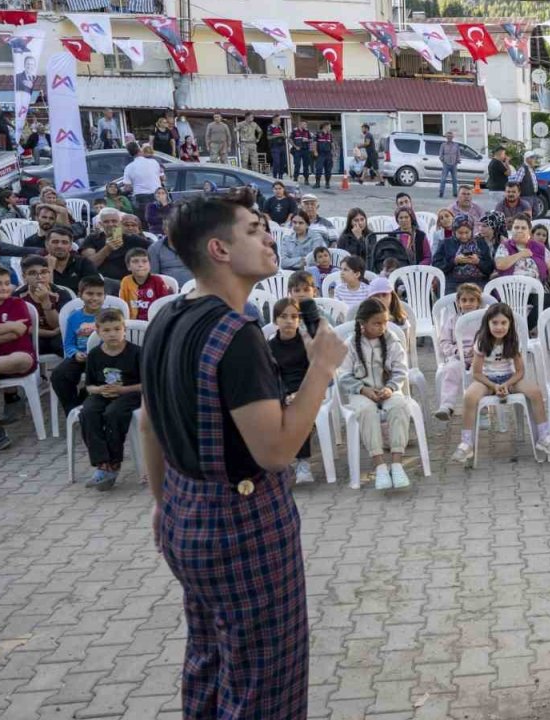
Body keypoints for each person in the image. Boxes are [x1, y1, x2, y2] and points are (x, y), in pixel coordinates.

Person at [141, 191, 348, 718]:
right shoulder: (236, 335)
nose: (268, 236)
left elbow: (149, 422)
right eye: (255, 229)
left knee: (209, 662)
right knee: (263, 684)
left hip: (187, 516)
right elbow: (276, 450)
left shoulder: (168, 316)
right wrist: (321, 368)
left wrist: (164, 504)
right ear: (219, 249)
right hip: (242, 527)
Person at [449, 303, 550, 463]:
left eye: (503, 323)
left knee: (535, 392)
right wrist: (494, 386)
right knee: (469, 397)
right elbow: (477, 373)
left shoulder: (512, 340)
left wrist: (507, 384)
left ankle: (543, 436)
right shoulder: (481, 341)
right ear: (487, 323)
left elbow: (520, 371)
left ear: (510, 324)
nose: (499, 327)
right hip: (486, 380)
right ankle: (466, 443)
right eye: (495, 323)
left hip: (509, 377)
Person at [338, 297, 413, 490]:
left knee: (399, 407)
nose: (382, 327)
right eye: (377, 323)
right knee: (366, 411)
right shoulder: (350, 344)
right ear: (363, 323)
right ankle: (379, 465)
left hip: (388, 390)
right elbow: (343, 375)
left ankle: (397, 463)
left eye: (385, 322)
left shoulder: (392, 340)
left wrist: (390, 388)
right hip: (361, 392)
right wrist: (363, 389)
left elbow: (401, 370)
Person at [78, 308, 142, 491]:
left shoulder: (137, 353)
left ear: (124, 330)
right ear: (98, 332)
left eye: (116, 329)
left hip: (130, 393)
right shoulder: (95, 355)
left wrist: (122, 389)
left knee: (113, 414)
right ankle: (102, 464)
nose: (112, 334)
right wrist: (100, 389)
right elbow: (89, 385)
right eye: (106, 330)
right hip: (103, 393)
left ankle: (114, 463)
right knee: (88, 412)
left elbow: (147, 384)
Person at [0, 265, 37, 450]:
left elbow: (18, 333)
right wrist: (9, 326)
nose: (4, 287)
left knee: (22, 360)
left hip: (14, 357)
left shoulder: (17, 304)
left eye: (7, 283)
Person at [267, 299, 316, 485]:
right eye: (283, 316)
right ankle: (281, 464)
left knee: (296, 412)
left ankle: (303, 463)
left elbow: (313, 374)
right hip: (281, 393)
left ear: (299, 320)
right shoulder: (269, 347)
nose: (289, 321)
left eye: (294, 317)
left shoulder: (306, 344)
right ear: (275, 321)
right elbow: (269, 377)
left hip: (305, 392)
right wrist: (282, 395)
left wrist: (300, 394)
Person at [51, 274, 107, 417]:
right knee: (59, 375)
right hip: (81, 357)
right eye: (89, 293)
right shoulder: (74, 317)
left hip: (104, 358)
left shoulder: (110, 316)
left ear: (104, 296)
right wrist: (75, 353)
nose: (94, 298)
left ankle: (85, 396)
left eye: (99, 294)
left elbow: (118, 340)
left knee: (103, 377)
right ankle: (72, 410)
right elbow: (68, 344)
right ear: (80, 295)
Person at [495, 216, 550, 325]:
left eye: (523, 228)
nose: (519, 230)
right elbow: (500, 265)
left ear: (529, 230)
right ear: (512, 229)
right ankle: (520, 330)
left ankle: (525, 328)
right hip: (512, 290)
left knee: (548, 300)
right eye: (516, 227)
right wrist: (520, 254)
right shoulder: (505, 246)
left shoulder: (540, 248)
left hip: (535, 289)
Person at [434, 283, 482, 422]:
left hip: (478, 356)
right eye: (464, 300)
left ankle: (481, 409)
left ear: (478, 302)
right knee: (450, 370)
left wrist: (478, 351)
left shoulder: (483, 319)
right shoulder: (452, 320)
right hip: (457, 356)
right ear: (458, 302)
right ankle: (447, 406)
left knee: (478, 373)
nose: (468, 304)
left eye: (472, 300)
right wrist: (456, 351)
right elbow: (444, 342)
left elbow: (489, 339)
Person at [12, 255, 67, 357]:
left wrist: (45, 301)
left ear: (49, 273)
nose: (39, 277)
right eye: (33, 273)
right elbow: (23, 327)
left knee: (61, 344)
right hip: (33, 335)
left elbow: (59, 325)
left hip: (58, 334)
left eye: (44, 272)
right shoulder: (17, 296)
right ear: (24, 277)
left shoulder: (61, 293)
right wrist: (51, 333)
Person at [83, 208, 150, 281]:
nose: (111, 224)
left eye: (114, 221)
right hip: (101, 281)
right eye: (106, 222)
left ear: (120, 223)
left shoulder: (131, 238)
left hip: (128, 281)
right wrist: (107, 249)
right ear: (100, 224)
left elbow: (153, 248)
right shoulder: (93, 238)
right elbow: (89, 266)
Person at [433, 215, 494, 289]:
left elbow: (490, 268)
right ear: (454, 231)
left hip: (478, 282)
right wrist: (454, 261)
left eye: (467, 232)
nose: (464, 236)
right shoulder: (446, 243)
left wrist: (478, 262)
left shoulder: (480, 243)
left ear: (471, 231)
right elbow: (436, 265)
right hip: (452, 282)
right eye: (460, 233)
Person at [118, 248, 172, 321]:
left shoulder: (157, 280)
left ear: (150, 265)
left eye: (144, 261)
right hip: (132, 323)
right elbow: (122, 304)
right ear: (128, 266)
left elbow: (163, 304)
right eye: (135, 261)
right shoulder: (126, 281)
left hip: (153, 321)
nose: (140, 265)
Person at [44, 226, 99, 295]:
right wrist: (50, 269)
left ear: (70, 246)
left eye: (64, 242)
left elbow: (95, 289)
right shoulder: (39, 264)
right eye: (55, 242)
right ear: (47, 244)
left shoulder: (83, 263)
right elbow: (45, 293)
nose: (60, 246)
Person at [122, 145, 165, 220]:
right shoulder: (154, 162)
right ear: (140, 151)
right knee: (159, 219)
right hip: (157, 194)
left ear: (130, 154)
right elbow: (163, 178)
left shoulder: (129, 167)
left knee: (145, 220)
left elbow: (127, 188)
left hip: (141, 196)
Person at [438, 131, 461, 198]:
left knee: (454, 179)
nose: (449, 138)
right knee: (443, 179)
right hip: (446, 164)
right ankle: (441, 193)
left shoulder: (456, 145)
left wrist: (457, 160)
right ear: (446, 137)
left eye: (450, 136)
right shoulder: (443, 145)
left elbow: (458, 154)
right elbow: (440, 154)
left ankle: (455, 193)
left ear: (452, 137)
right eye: (448, 136)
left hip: (454, 164)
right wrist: (443, 160)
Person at [312, 122, 335, 189]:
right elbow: (314, 143)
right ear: (325, 126)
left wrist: (334, 152)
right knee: (319, 169)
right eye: (329, 126)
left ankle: (327, 183)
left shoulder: (330, 134)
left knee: (328, 169)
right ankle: (317, 183)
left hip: (328, 154)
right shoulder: (318, 134)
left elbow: (332, 144)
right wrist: (315, 151)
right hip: (320, 154)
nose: (330, 128)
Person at [289, 121, 312, 185]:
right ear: (300, 124)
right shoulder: (295, 131)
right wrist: (295, 146)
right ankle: (295, 178)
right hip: (297, 150)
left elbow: (311, 139)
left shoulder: (307, 131)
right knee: (297, 165)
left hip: (305, 150)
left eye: (306, 124)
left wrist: (307, 140)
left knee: (306, 165)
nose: (305, 125)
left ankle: (306, 179)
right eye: (304, 124)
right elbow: (290, 139)